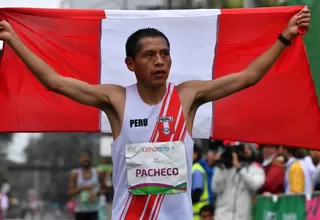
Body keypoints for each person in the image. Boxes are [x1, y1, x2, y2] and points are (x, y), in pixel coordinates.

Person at [0, 7, 311, 219]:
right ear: (130, 64)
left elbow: (248, 77)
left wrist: (285, 36)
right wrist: (14, 40)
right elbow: (53, 82)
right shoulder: (116, 100)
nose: (159, 61)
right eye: (149, 55)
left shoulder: (188, 96)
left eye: (165, 54)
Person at [212, 142, 265, 220]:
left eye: (248, 148)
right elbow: (216, 189)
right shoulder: (225, 167)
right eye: (243, 148)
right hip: (222, 216)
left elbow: (255, 186)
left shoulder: (256, 169)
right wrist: (219, 167)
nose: (245, 151)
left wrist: (240, 169)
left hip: (242, 216)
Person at [68, 149, 106, 220]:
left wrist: (97, 194)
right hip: (80, 211)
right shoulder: (75, 174)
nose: (85, 160)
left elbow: (105, 190)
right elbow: (70, 193)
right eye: (83, 158)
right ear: (80, 160)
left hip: (95, 211)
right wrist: (83, 188)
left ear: (91, 159)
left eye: (87, 158)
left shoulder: (98, 173)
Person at [192, 144, 210, 220]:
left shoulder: (196, 170)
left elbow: (197, 191)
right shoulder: (194, 168)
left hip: (198, 211)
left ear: (196, 154)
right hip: (199, 210)